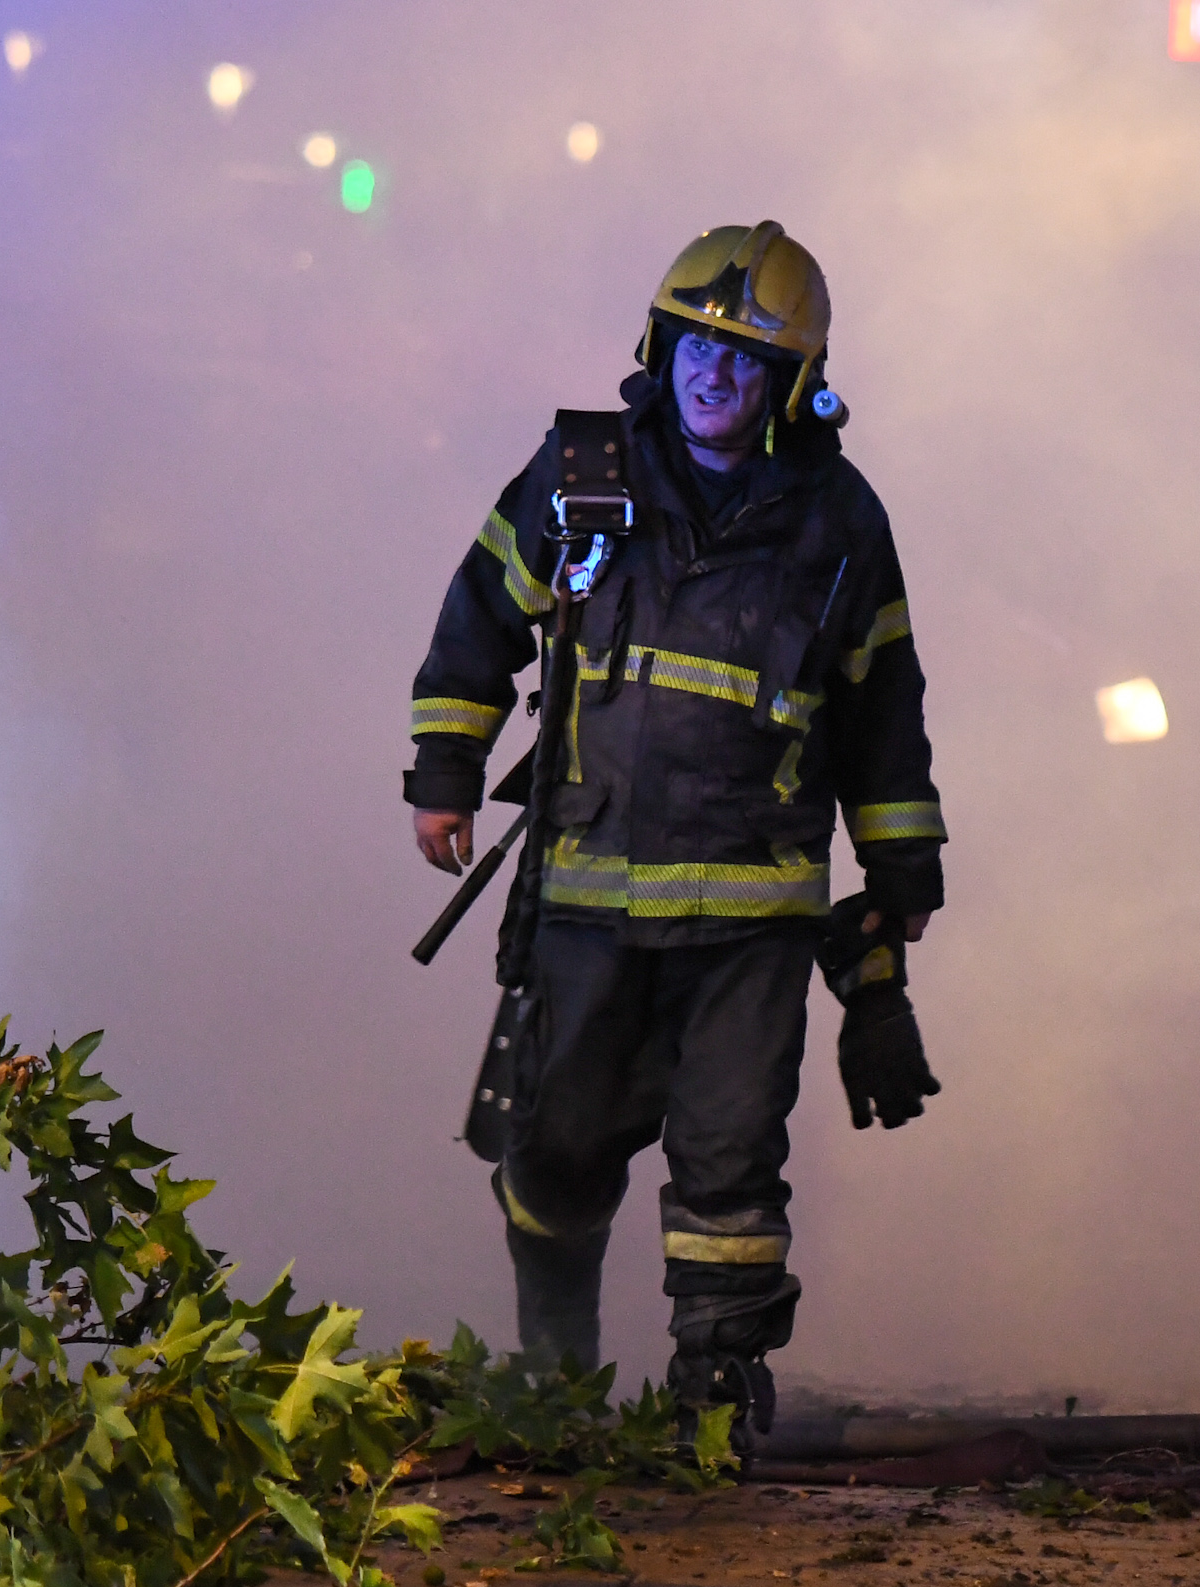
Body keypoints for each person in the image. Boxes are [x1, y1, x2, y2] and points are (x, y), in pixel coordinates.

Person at [403, 221, 944, 1443]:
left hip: (752, 921)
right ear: (660, 347)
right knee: (553, 1151)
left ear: (790, 383)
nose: (712, 373)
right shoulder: (581, 474)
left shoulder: (839, 521)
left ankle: (715, 1405)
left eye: (744, 358)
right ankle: (556, 1378)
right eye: (696, 345)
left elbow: (882, 706)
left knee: (728, 1166)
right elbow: (478, 618)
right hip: (585, 902)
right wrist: (445, 772)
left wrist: (900, 869)